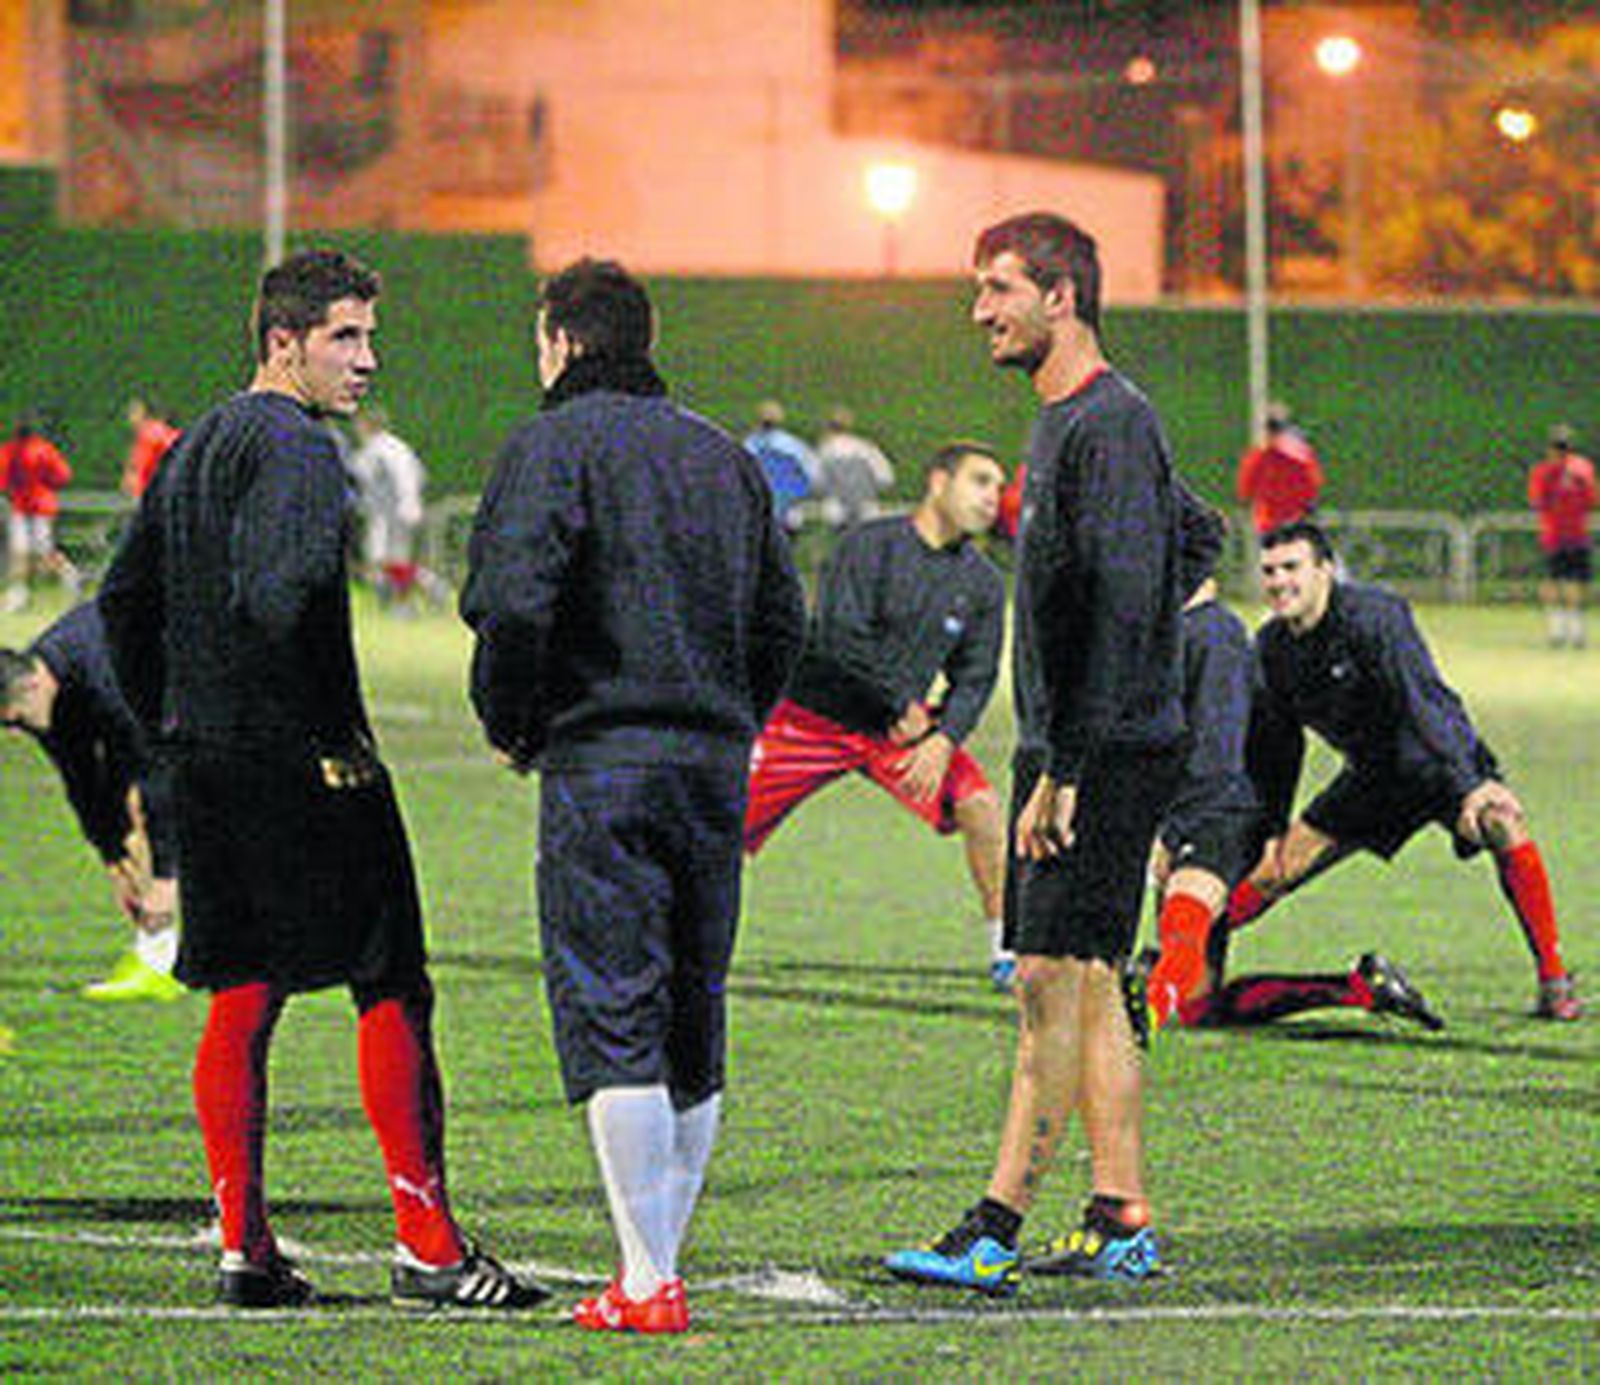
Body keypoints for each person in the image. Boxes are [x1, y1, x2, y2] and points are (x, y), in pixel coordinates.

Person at [98, 248, 545, 1311]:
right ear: (282, 342)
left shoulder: (195, 443)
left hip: (208, 759)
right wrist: (315, 734)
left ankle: (244, 1248)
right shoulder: (297, 448)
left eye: (368, 336)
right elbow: (281, 592)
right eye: (344, 336)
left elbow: (121, 604)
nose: (365, 358)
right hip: (303, 762)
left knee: (243, 992)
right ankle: (428, 1246)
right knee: (389, 981)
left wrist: (177, 721)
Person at [460, 258, 806, 1334]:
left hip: (602, 758)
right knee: (692, 1007)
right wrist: (734, 721)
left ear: (561, 341)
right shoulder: (724, 458)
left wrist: (513, 722)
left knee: (612, 1000)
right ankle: (656, 1261)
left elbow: (511, 607)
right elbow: (783, 618)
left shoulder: (547, 444)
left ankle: (646, 1275)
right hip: (711, 763)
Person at [886, 211, 1187, 1295]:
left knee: (1049, 981)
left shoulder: (1105, 422)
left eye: (998, 288)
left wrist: (1063, 763)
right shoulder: (1081, 419)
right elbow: (1184, 535)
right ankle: (1118, 1215)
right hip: (1103, 737)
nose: (980, 311)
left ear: (1061, 297)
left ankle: (993, 1225)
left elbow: (1115, 601)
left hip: (1094, 751)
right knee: (1091, 981)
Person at [1207, 520, 1581, 1023]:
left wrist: (1470, 786)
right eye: (1269, 571)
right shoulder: (1272, 647)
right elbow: (1278, 746)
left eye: (1292, 567)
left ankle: (1554, 981)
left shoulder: (1373, 615)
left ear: (1325, 570)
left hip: (1433, 761)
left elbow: (1422, 701)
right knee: (1272, 874)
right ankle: (1186, 956)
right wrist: (1271, 828)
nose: (1279, 582)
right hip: (1373, 779)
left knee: (1500, 822)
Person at [1131, 499, 1443, 1038]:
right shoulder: (1187, 632)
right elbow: (1276, 740)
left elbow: (1216, 754)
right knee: (1201, 1002)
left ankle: (1147, 1011)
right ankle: (1358, 988)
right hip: (1213, 811)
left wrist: (1174, 830)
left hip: (1219, 815)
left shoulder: (1216, 636)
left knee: (1189, 921)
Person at [744, 441, 1013, 987]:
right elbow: (839, 639)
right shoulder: (868, 546)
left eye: (997, 487)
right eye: (980, 482)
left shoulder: (982, 583)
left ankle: (1006, 949)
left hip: (900, 736)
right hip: (812, 718)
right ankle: (665, 936)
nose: (993, 498)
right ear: (939, 482)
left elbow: (976, 676)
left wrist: (944, 740)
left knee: (981, 807)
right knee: (719, 822)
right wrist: (899, 702)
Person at [0, 602, 184, 1002]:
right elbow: (81, 778)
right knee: (129, 809)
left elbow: (157, 770)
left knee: (171, 799)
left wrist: (167, 880)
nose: (15, 731)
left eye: (14, 721)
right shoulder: (45, 696)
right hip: (139, 705)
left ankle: (175, 955)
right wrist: (114, 860)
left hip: (200, 669)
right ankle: (158, 958)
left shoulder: (109, 674)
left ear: (31, 686)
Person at [348, 405, 433, 612]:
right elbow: (420, 476)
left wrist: (401, 505)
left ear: (367, 426)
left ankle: (408, 599)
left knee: (383, 559)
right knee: (391, 559)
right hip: (403, 511)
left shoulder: (376, 449)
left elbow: (359, 476)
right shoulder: (398, 446)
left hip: (389, 514)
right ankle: (423, 588)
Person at [0, 414, 78, 612]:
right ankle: (20, 595)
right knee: (29, 553)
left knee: (27, 554)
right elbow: (63, 476)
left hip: (27, 506)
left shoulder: (10, 450)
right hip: (38, 506)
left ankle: (22, 593)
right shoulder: (43, 449)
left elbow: (2, 480)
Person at [1527, 423, 1595, 649]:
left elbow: (1537, 501)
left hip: (1555, 536)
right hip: (1575, 535)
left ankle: (1559, 631)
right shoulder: (1583, 469)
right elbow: (1592, 500)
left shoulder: (1544, 471)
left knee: (1556, 582)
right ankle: (1573, 631)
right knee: (1573, 583)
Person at [1236, 400, 1324, 537]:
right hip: (1296, 520)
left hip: (1270, 522)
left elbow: (1245, 490)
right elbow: (1313, 485)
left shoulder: (1258, 455)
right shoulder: (1300, 452)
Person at [813, 405, 896, 530]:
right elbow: (886, 479)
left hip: (837, 510)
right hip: (867, 508)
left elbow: (817, 483)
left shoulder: (824, 450)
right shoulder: (866, 447)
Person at [743, 399, 818, 534]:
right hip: (788, 510)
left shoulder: (750, 444)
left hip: (758, 511)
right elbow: (811, 474)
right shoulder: (793, 444)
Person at [120, 398, 181, 501]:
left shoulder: (147, 434)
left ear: (144, 414)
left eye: (133, 412)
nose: (130, 417)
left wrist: (132, 493)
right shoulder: (163, 430)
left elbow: (137, 470)